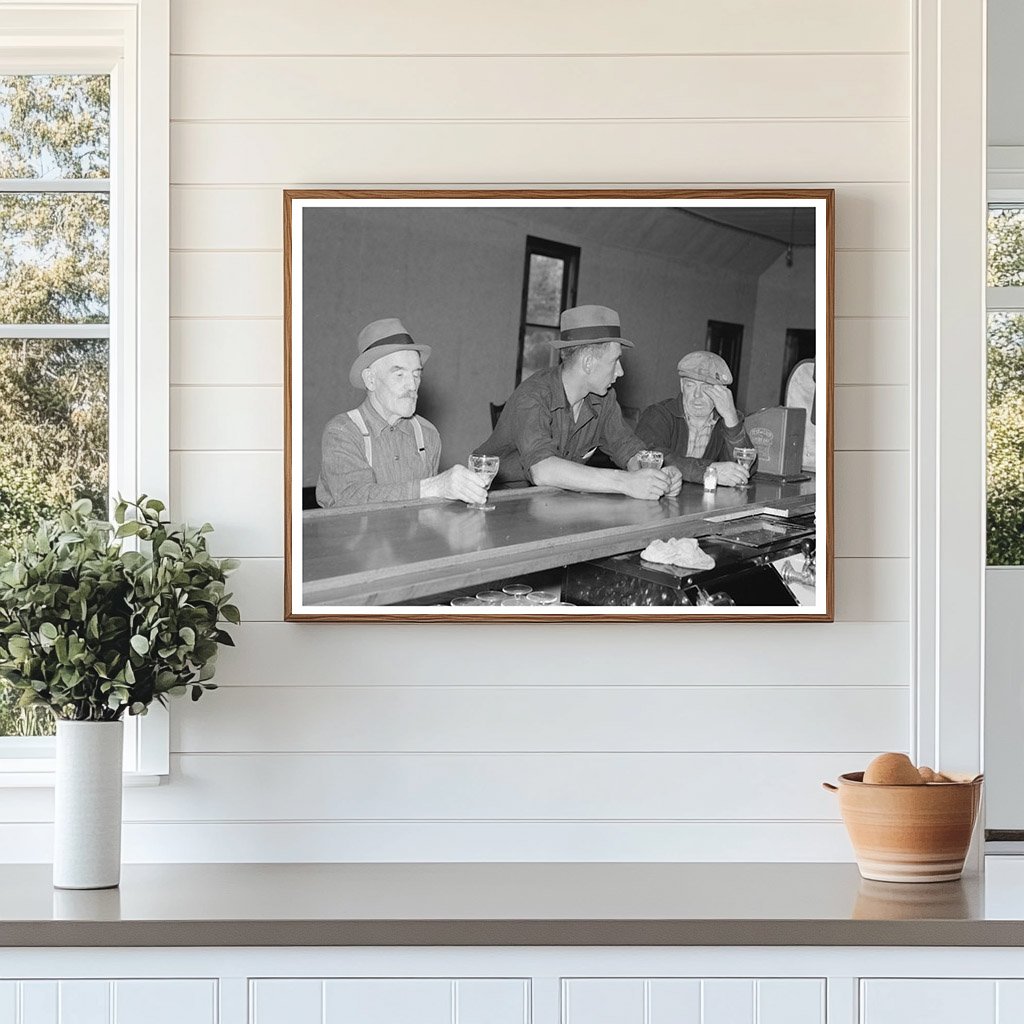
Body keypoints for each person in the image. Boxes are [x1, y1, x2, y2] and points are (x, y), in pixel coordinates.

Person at [474, 304, 681, 499]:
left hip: (553, 502)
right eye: (614, 361)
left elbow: (626, 447)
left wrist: (654, 475)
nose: (620, 372)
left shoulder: (604, 398)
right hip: (500, 502)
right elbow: (543, 471)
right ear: (588, 363)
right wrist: (625, 482)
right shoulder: (532, 397)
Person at [315, 318, 487, 508]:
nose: (412, 385)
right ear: (370, 379)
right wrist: (434, 487)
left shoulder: (427, 434)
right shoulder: (342, 431)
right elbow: (352, 498)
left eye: (416, 374)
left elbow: (428, 510)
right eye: (399, 374)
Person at [636, 350, 753, 486]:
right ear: (682, 385)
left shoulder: (726, 421)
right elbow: (650, 456)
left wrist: (731, 419)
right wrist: (708, 471)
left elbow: (747, 467)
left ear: (722, 392)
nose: (697, 395)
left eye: (706, 388)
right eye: (690, 385)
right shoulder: (659, 414)